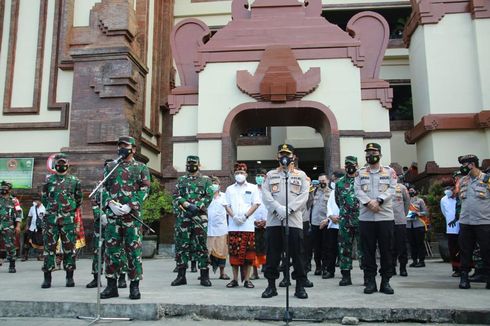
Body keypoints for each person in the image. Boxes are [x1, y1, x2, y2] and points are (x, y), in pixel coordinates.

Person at [100, 136, 150, 300]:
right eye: (120, 146)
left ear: (133, 149)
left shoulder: (141, 168)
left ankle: (134, 287)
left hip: (132, 217)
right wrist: (109, 204)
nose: (122, 148)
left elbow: (145, 190)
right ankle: (111, 286)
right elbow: (103, 189)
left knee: (133, 251)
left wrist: (131, 205)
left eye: (126, 146)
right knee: (111, 251)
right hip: (113, 217)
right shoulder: (111, 167)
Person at [261, 144, 309, 299]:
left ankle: (300, 286)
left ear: (293, 157)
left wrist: (288, 210)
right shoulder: (270, 175)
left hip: (294, 221)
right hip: (275, 221)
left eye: (287, 154)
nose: (284, 157)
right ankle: (271, 286)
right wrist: (277, 208)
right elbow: (266, 195)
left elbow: (304, 196)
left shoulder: (301, 175)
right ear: (277, 157)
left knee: (298, 255)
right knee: (273, 255)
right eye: (282, 154)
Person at [354, 143, 397, 295]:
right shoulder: (360, 173)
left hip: (385, 216)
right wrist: (368, 203)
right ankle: (370, 281)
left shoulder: (389, 171)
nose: (370, 154)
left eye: (373, 151)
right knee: (367, 251)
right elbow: (357, 190)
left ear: (380, 154)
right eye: (368, 152)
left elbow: (392, 189)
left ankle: (385, 282)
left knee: (387, 251)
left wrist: (378, 200)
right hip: (366, 218)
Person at [171, 155, 214, 287]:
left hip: (199, 218)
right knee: (181, 246)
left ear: (199, 165)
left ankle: (204, 276)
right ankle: (181, 275)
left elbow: (209, 195)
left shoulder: (206, 180)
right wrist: (187, 205)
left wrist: (198, 206)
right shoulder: (181, 180)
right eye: (189, 163)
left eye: (193, 163)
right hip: (184, 217)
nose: (191, 165)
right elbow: (176, 196)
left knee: (201, 245)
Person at [41, 154, 83, 288]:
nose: (61, 165)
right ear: (55, 164)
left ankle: (69, 277)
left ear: (68, 164)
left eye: (63, 163)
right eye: (58, 163)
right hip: (51, 220)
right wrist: (52, 209)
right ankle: (47, 278)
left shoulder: (74, 181)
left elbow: (79, 199)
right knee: (49, 249)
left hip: (67, 220)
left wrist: (68, 210)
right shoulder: (48, 180)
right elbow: (44, 198)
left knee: (69, 249)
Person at [86, 160, 128, 289]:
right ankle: (96, 278)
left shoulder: (122, 185)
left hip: (116, 223)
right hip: (101, 225)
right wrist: (100, 215)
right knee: (98, 251)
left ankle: (121, 277)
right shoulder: (99, 186)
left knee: (119, 251)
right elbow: (94, 202)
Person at [224, 163, 261, 288]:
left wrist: (245, 216)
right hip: (233, 226)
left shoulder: (253, 187)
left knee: (249, 254)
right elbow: (226, 205)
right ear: (234, 174)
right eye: (237, 173)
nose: (240, 175)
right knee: (234, 254)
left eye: (242, 173)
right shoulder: (230, 189)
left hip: (247, 226)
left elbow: (256, 204)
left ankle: (247, 279)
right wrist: (234, 216)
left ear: (246, 174)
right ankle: (234, 279)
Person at [456, 154, 490, 290]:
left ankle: (488, 277)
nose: (463, 168)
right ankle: (464, 277)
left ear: (472, 164)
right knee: (465, 251)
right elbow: (460, 198)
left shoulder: (487, 180)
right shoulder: (463, 181)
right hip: (466, 222)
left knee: (487, 251)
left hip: (484, 222)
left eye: (465, 165)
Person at [336, 156, 363, 286]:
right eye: (347, 165)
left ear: (357, 165)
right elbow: (337, 201)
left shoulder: (362, 180)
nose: (349, 167)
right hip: (345, 221)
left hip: (361, 220)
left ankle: (367, 276)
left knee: (363, 249)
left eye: (352, 164)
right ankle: (346, 276)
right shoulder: (339, 183)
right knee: (344, 249)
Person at [206, 176, 230, 280]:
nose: (213, 185)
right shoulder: (205, 197)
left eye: (215, 183)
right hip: (208, 229)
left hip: (222, 229)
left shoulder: (225, 197)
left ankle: (222, 273)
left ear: (220, 186)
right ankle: (204, 274)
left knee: (222, 252)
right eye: (211, 183)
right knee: (206, 252)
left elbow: (230, 211)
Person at [309, 173, 331, 276]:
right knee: (316, 247)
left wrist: (327, 220)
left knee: (325, 247)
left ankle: (325, 267)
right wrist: (310, 191)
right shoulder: (315, 191)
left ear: (328, 181)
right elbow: (309, 205)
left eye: (323, 181)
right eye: (320, 181)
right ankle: (318, 267)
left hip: (326, 222)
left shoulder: (331, 193)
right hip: (315, 222)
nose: (322, 183)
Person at [0, 181, 22, 273]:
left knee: (10, 245)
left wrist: (18, 226)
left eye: (5, 188)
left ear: (9, 190)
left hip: (8, 225)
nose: (3, 190)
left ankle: (12, 265)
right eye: (2, 188)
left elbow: (18, 214)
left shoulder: (14, 201)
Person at [251, 169, 268, 280]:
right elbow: (247, 205)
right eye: (258, 175)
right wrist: (253, 220)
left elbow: (271, 207)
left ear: (266, 177)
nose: (260, 177)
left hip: (267, 223)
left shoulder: (269, 190)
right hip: (253, 223)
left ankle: (267, 270)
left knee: (267, 248)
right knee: (254, 249)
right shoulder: (251, 190)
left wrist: (266, 220)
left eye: (262, 175)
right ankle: (255, 272)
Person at [392, 177, 410, 276]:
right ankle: (391, 267)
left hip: (400, 221)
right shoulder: (383, 187)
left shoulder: (402, 188)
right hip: (387, 220)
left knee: (402, 246)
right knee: (389, 246)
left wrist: (403, 214)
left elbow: (407, 202)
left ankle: (403, 268)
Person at [406, 187, 429, 268]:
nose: (411, 192)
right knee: (412, 244)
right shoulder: (405, 201)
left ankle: (421, 261)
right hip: (408, 225)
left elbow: (426, 212)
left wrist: (418, 213)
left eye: (412, 190)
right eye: (409, 190)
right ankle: (414, 260)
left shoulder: (420, 201)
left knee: (420, 243)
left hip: (419, 224)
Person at [441, 183, 460, 277]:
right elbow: (444, 212)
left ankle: (466, 268)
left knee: (464, 248)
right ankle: (456, 269)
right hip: (451, 228)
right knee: (453, 249)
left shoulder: (461, 197)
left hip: (464, 227)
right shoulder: (443, 200)